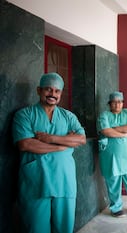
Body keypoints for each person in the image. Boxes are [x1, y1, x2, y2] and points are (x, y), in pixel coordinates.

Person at [12, 72, 86, 233]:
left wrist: (50, 138)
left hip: (64, 180)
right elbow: (25, 144)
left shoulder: (68, 116)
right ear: (39, 90)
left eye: (57, 91)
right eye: (48, 89)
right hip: (36, 181)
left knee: (64, 228)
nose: (53, 94)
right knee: (37, 228)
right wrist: (62, 144)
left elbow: (81, 139)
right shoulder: (24, 115)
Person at [97, 91, 127, 217]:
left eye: (119, 102)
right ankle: (116, 207)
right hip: (110, 156)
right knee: (113, 182)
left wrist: (114, 129)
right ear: (110, 104)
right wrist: (122, 133)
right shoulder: (104, 115)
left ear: (122, 103)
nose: (117, 105)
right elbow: (106, 131)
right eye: (114, 102)